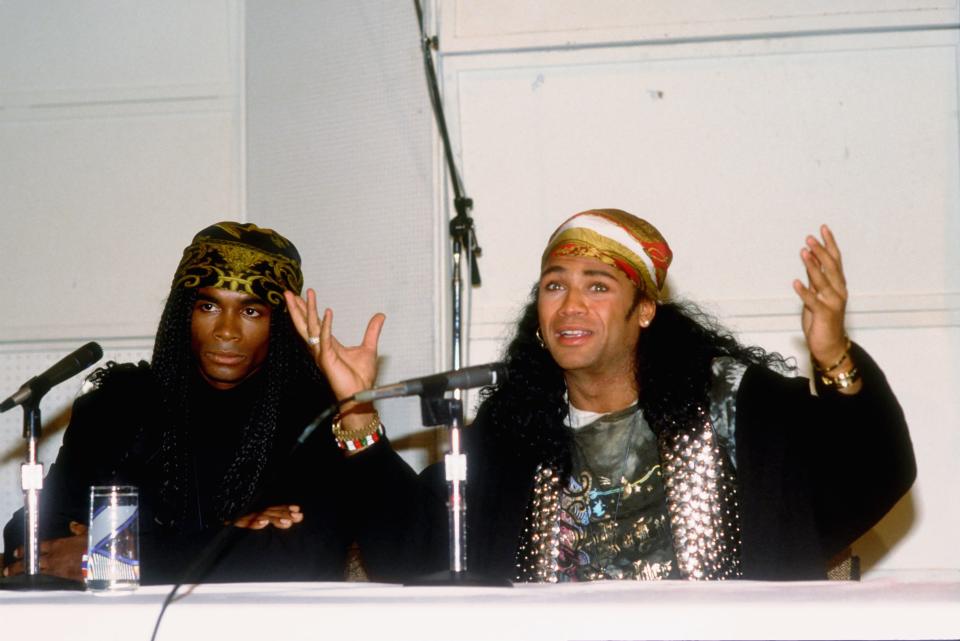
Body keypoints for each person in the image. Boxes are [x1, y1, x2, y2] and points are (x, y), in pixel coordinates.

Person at [412, 209, 916, 581]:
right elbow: (418, 543)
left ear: (645, 310)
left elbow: (874, 470)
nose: (571, 306)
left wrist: (833, 356)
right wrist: (358, 423)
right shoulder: (513, 427)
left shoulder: (729, 403)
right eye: (554, 286)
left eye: (598, 287)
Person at [2, 221, 408, 584]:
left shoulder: (314, 416)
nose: (227, 331)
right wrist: (231, 538)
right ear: (184, 314)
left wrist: (119, 553)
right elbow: (33, 535)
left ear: (279, 324)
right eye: (209, 306)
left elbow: (296, 557)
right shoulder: (120, 402)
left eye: (251, 311)